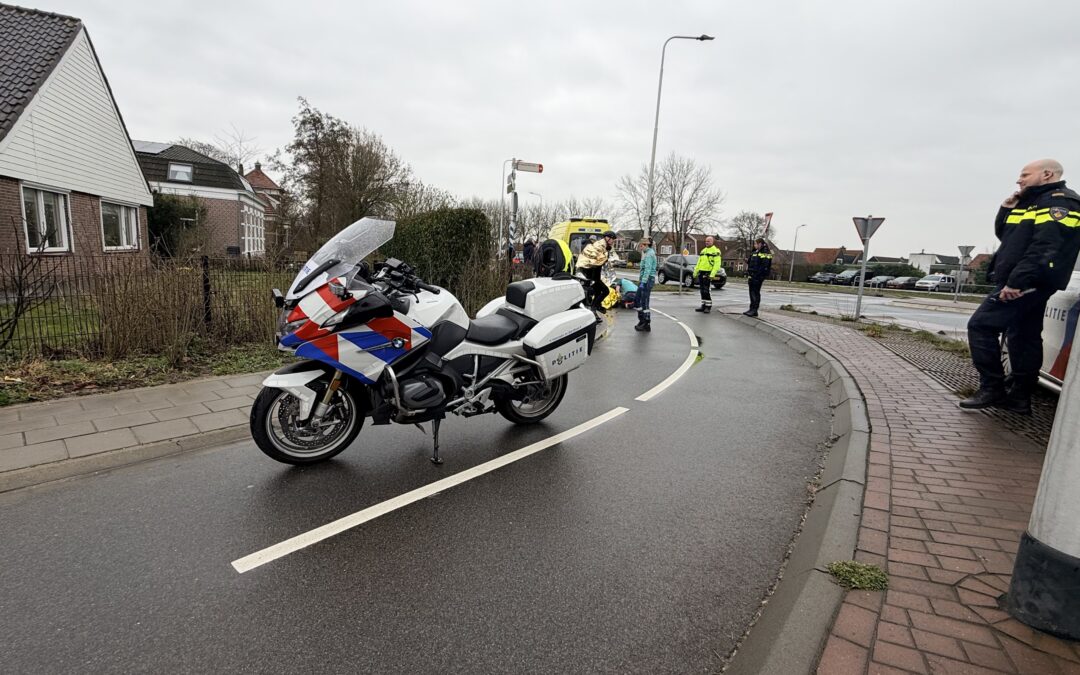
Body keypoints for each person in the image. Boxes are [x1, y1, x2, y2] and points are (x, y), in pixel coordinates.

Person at [960, 159, 1080, 414]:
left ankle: (992, 388)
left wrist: (1017, 282)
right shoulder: (1033, 201)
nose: (1019, 180)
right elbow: (1007, 235)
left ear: (1047, 174)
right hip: (1024, 280)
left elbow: (1046, 247)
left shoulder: (1060, 202)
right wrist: (1006, 208)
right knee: (1023, 336)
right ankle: (1019, 398)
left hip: (1029, 281)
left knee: (981, 326)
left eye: (1026, 174)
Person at [578, 230, 616, 321]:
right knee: (605, 291)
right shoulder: (599, 246)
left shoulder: (604, 246)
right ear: (607, 238)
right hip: (590, 274)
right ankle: (594, 308)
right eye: (612, 239)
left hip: (595, 275)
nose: (613, 241)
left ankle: (595, 308)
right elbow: (594, 260)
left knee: (599, 292)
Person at [693, 236, 723, 313]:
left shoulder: (715, 251)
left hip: (708, 273)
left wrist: (712, 274)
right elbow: (699, 262)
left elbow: (717, 264)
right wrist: (695, 272)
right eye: (706, 241)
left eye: (709, 241)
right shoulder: (703, 251)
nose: (707, 242)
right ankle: (703, 305)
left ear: (712, 242)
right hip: (701, 272)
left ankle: (708, 306)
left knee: (706, 290)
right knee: (702, 290)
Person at [744, 238, 773, 317]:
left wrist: (758, 276)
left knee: (755, 293)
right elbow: (752, 262)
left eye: (756, 244)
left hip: (758, 276)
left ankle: (754, 310)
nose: (754, 245)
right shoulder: (754, 252)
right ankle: (751, 309)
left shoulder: (765, 252)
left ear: (760, 244)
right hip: (752, 275)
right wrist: (747, 261)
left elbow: (764, 266)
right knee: (751, 292)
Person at [635, 237, 657, 332]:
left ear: (646, 245)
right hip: (645, 280)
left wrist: (643, 282)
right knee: (637, 300)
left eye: (641, 246)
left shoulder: (649, 254)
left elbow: (647, 270)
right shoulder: (647, 253)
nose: (640, 248)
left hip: (647, 280)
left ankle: (646, 322)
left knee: (644, 301)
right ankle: (642, 320)